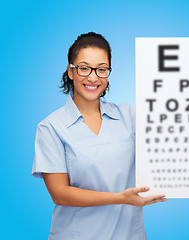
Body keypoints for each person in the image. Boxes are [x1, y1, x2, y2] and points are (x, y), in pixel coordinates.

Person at [31, 32, 167, 240]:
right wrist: (121, 198)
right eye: (84, 68)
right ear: (71, 71)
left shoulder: (129, 117)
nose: (93, 77)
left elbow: (170, 123)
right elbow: (60, 194)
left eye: (101, 69)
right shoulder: (51, 127)